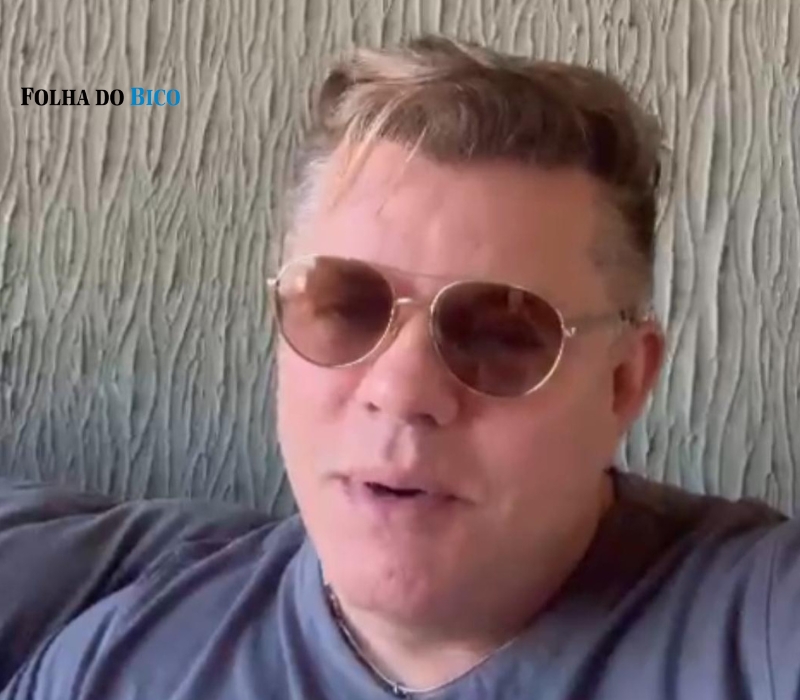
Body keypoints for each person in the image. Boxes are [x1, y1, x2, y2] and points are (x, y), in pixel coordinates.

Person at [1, 35, 798, 700]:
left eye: (502, 333)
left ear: (624, 381)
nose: (400, 390)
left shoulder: (761, 633)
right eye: (347, 307)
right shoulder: (117, 661)